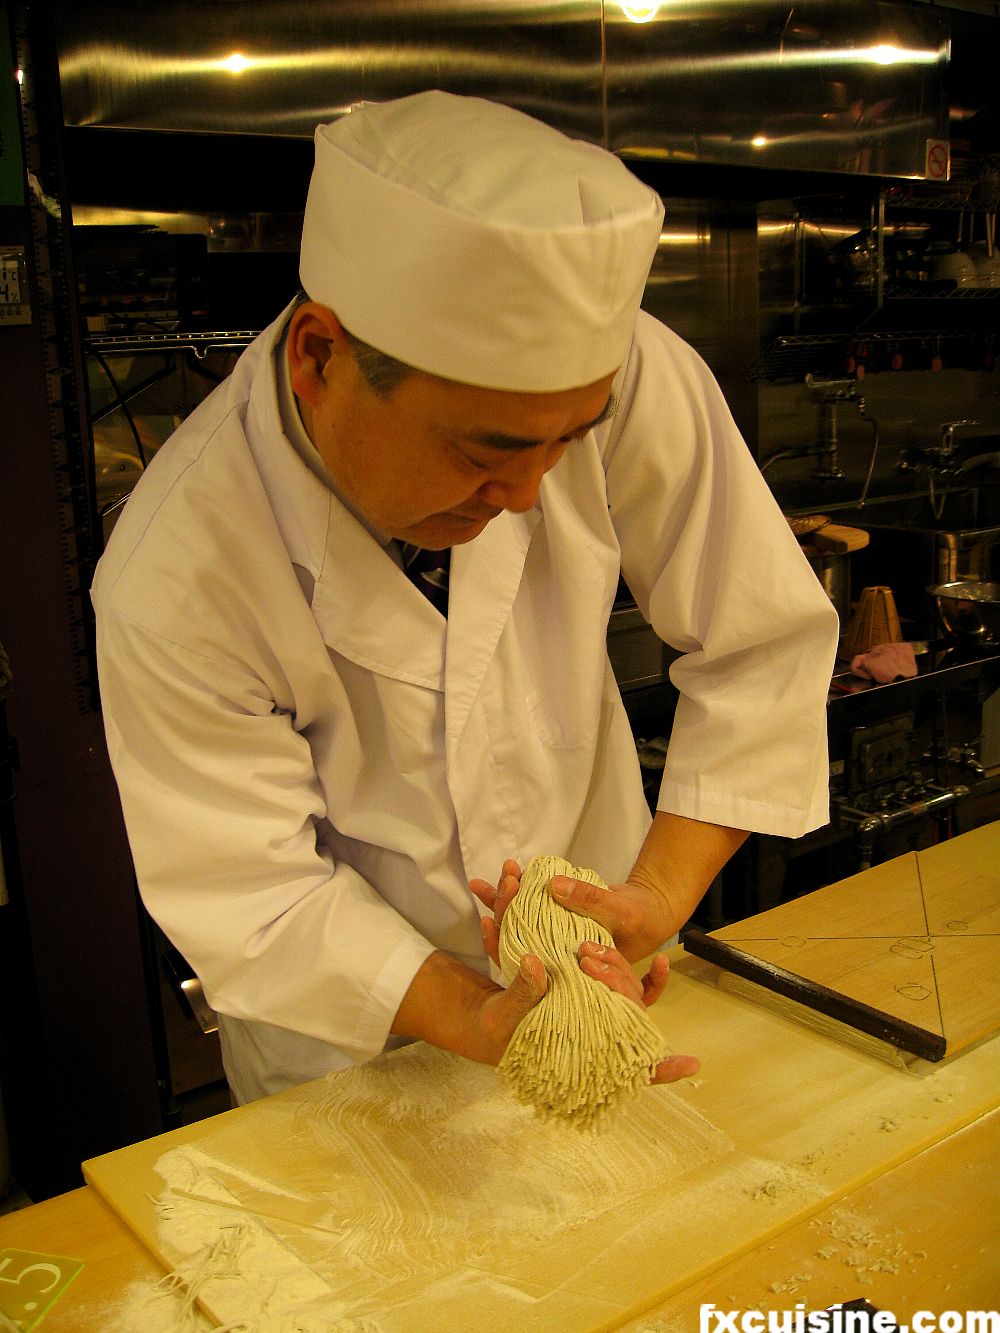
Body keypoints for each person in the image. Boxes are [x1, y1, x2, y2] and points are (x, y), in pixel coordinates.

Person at [92, 90, 839, 1106]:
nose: (531, 494)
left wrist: (651, 898)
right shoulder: (177, 571)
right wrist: (471, 1007)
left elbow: (760, 640)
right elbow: (251, 886)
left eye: (568, 443)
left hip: (596, 986)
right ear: (320, 356)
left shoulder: (617, 377)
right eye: (483, 451)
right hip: (346, 1057)